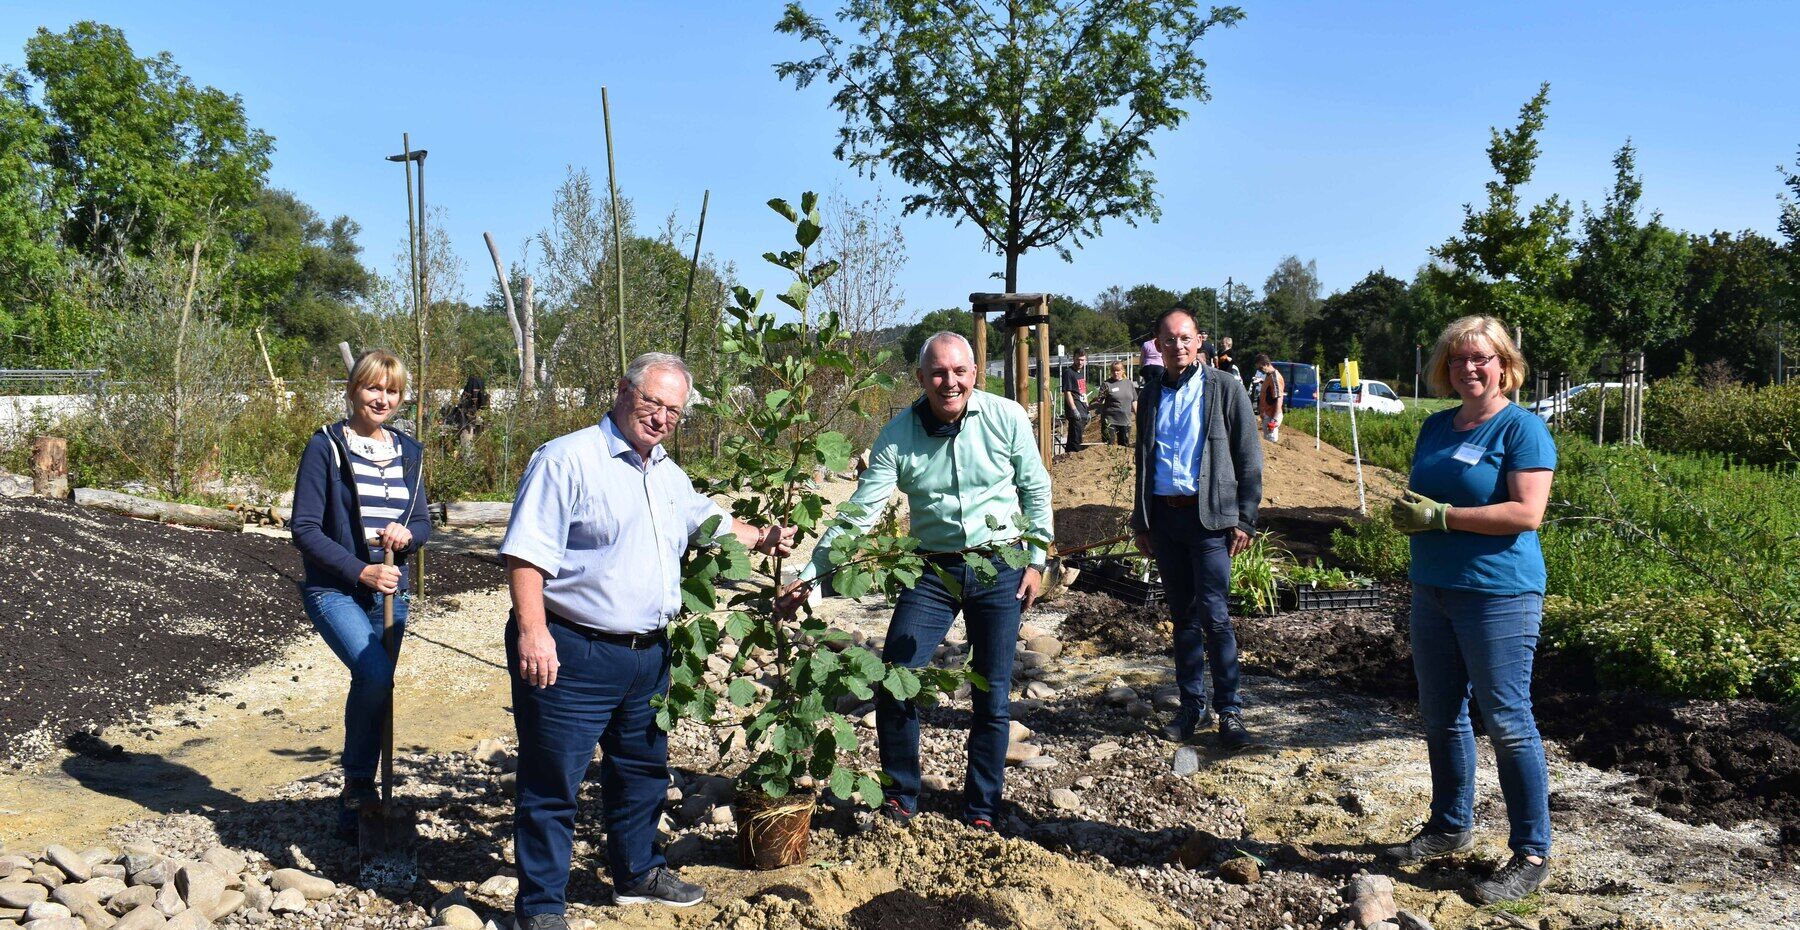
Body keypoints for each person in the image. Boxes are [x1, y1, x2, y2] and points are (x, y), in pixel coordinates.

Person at [500, 353, 795, 926]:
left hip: (648, 655)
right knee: (552, 782)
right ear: (622, 391)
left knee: (641, 772)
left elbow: (707, 521)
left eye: (674, 411)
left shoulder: (665, 471)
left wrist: (763, 537)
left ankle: (637, 874)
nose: (661, 418)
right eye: (652, 402)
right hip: (572, 649)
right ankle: (541, 905)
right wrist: (533, 632)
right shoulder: (567, 459)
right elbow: (525, 555)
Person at [778, 332, 1052, 832]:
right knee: (896, 680)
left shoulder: (1007, 417)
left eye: (960, 371)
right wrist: (811, 575)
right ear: (922, 378)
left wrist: (1036, 560)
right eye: (939, 373)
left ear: (975, 374)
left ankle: (982, 808)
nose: (951, 382)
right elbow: (860, 512)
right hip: (932, 571)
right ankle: (901, 796)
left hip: (1000, 565)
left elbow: (1035, 488)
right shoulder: (898, 435)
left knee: (992, 694)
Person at [1381, 316, 1556, 904]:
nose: (1469, 369)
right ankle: (1450, 825)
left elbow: (1527, 513)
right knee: (1441, 714)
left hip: (1497, 593)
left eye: (1481, 358)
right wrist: (1412, 512)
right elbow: (1429, 492)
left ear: (1505, 365)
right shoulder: (1435, 426)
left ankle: (1532, 852)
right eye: (1458, 359)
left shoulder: (1522, 429)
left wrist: (1440, 517)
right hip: (1432, 588)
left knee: (1507, 720)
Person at [290, 350, 434, 841]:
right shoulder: (326, 446)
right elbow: (305, 528)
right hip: (335, 589)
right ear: (354, 390)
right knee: (374, 672)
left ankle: (358, 804)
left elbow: (422, 522)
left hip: (390, 592)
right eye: (374, 388)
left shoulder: (409, 451)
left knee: (375, 685)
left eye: (392, 391)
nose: (383, 399)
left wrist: (406, 537)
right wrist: (361, 571)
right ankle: (358, 784)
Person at [1130, 309, 1262, 751]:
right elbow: (1143, 460)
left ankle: (1230, 710)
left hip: (1209, 521)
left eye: (1185, 338)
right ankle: (1192, 706)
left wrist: (1245, 517)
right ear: (1157, 345)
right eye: (1169, 339)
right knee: (1182, 618)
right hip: (1166, 521)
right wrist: (1141, 520)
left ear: (1199, 340)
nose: (1178, 346)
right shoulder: (1151, 393)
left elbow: (1248, 455)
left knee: (1216, 617)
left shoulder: (1224, 388)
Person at [1096, 361, 1138, 446]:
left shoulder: (1129, 384)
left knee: (1124, 447)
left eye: (1118, 370)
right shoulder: (1106, 384)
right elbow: (1099, 401)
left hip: (1125, 421)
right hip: (1110, 420)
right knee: (1108, 446)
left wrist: (1138, 415)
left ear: (1123, 371)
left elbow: (1134, 401)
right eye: (1113, 371)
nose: (1115, 373)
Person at [1060, 349, 1091, 453]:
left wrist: (1087, 409)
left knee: (1077, 437)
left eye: (1082, 360)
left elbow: (1083, 392)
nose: (1080, 362)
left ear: (1085, 361)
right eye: (1078, 359)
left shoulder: (1080, 373)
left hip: (1082, 410)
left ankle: (1070, 455)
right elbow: (1067, 392)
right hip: (1075, 410)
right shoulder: (1069, 373)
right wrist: (1074, 409)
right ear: (1073, 359)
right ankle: (1073, 455)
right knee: (1075, 439)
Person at [1254, 354, 1285, 443]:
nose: (1260, 370)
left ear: (1267, 364)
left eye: (1261, 368)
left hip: (1271, 416)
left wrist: (1273, 420)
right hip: (1267, 414)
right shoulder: (1269, 376)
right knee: (1267, 440)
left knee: (1271, 442)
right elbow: (1270, 389)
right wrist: (1261, 381)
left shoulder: (1275, 378)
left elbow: (1279, 399)